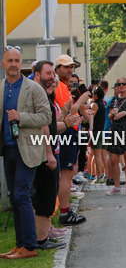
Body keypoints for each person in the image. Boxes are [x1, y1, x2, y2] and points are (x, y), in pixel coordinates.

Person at [2, 46, 52, 259]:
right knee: (15, 198)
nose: (13, 64)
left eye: (17, 60)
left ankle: (30, 247)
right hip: (8, 150)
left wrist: (21, 117)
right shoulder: (2, 88)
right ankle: (20, 245)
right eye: (9, 61)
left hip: (29, 150)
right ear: (3, 64)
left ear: (21, 63)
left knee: (22, 195)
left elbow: (46, 117)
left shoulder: (33, 88)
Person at [28, 60, 68, 249]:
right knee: (44, 195)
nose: (52, 77)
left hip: (46, 150)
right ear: (36, 75)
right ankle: (41, 239)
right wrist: (48, 153)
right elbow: (43, 126)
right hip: (42, 152)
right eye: (48, 73)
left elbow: (51, 125)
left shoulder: (43, 94)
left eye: (53, 73)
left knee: (48, 194)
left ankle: (44, 235)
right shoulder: (37, 94)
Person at [54, 55, 87, 225]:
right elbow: (68, 109)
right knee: (65, 174)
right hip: (65, 132)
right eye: (66, 67)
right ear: (57, 68)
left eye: (71, 67)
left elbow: (70, 112)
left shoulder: (64, 86)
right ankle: (65, 212)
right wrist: (83, 97)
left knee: (67, 173)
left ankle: (64, 211)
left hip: (69, 130)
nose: (70, 70)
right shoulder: (59, 85)